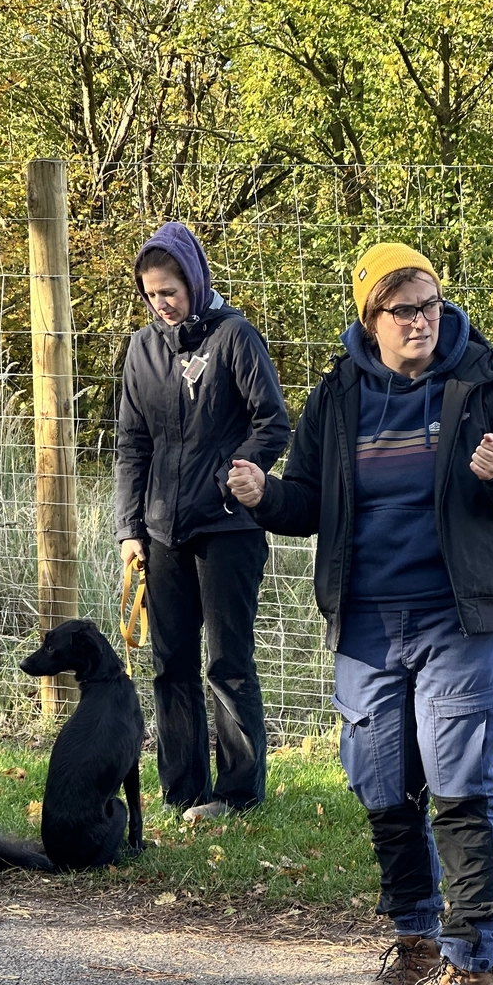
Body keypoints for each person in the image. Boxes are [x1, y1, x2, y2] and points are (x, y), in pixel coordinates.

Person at [227, 242, 493, 985]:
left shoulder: (482, 381)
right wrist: (262, 496)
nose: (421, 320)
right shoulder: (339, 393)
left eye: (431, 304)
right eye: (403, 308)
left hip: (457, 618)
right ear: (369, 318)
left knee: (457, 789)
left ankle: (471, 973)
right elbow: (307, 501)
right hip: (367, 624)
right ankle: (415, 946)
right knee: (381, 789)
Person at [115, 221, 290, 820]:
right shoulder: (142, 350)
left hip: (228, 529)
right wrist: (129, 530)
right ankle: (182, 791)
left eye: (171, 290)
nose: (162, 304)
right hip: (161, 531)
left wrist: (237, 473)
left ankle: (238, 794)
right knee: (171, 663)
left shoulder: (235, 337)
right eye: (151, 294)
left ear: (194, 279)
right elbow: (131, 446)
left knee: (227, 661)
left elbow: (274, 421)